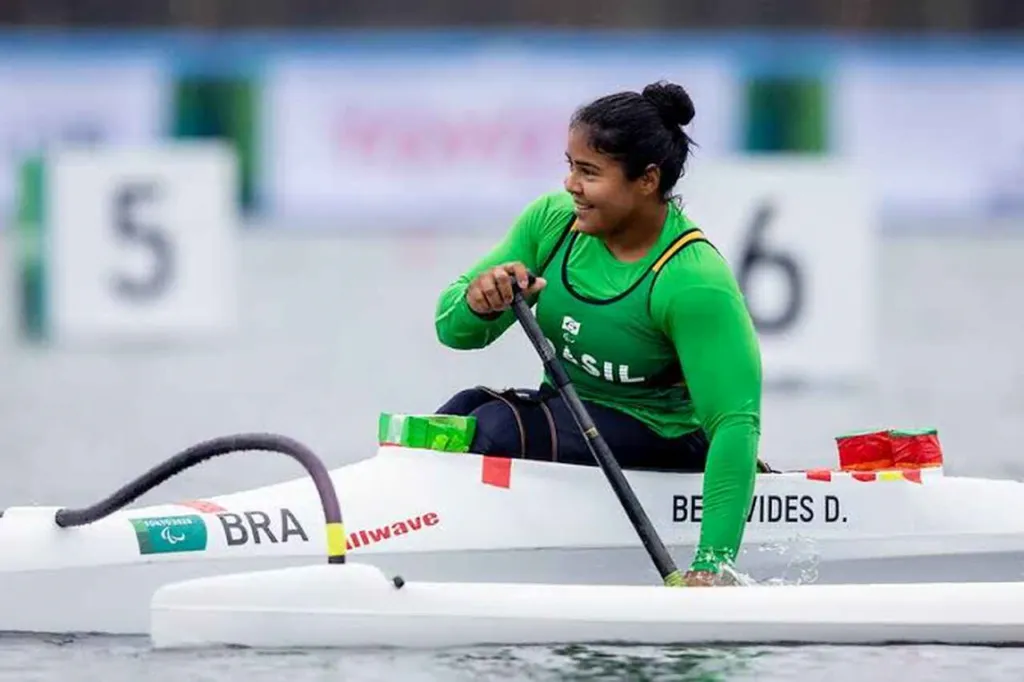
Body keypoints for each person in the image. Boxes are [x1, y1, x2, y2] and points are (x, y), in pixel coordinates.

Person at [432, 80, 762, 587]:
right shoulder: (552, 223)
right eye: (569, 166)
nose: (570, 185)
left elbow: (735, 425)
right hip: (575, 420)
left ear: (647, 180)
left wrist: (713, 565)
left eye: (589, 172)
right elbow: (451, 332)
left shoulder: (691, 280)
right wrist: (480, 302)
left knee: (495, 429)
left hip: (666, 438)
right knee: (460, 412)